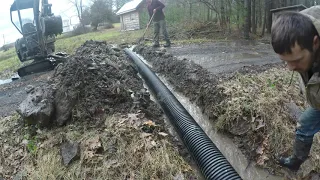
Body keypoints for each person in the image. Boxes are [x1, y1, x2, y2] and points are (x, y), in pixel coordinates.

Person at [271, 6, 320, 171]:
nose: (290, 68)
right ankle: (296, 162)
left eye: (297, 60)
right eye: (285, 61)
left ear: (315, 43)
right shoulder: (300, 30)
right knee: (305, 125)